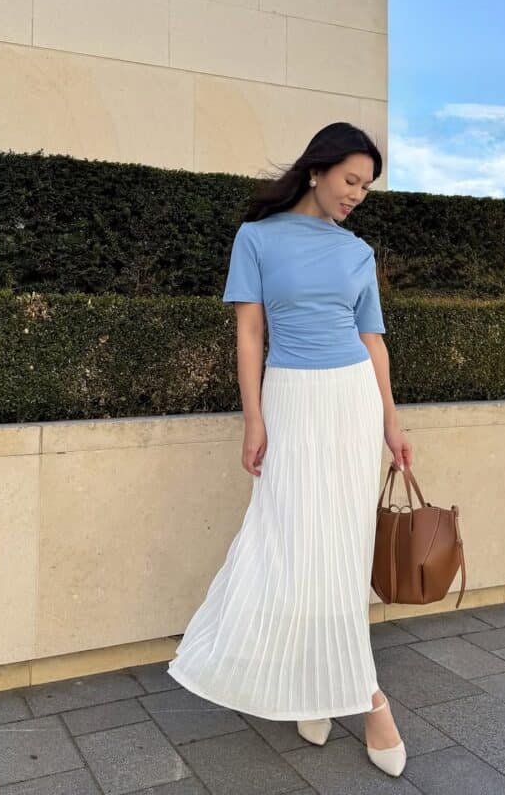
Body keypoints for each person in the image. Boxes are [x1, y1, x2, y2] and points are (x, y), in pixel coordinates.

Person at [167, 122, 413, 777]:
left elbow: (373, 342)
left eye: (366, 186)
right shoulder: (256, 239)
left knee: (343, 544)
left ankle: (331, 685)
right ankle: (361, 695)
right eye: (350, 180)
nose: (357, 194)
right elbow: (250, 332)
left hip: (352, 402)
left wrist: (391, 422)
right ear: (317, 171)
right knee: (291, 538)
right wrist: (253, 419)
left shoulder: (356, 251)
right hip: (292, 399)